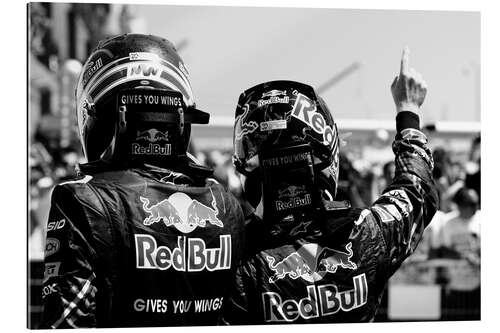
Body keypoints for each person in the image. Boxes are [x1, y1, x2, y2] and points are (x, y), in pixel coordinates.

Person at [40, 34, 245, 328]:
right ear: (182, 115)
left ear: (97, 115)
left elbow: (65, 323)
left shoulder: (80, 201)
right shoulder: (226, 205)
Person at [223, 48, 438, 324]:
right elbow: (417, 189)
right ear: (327, 158)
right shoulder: (367, 234)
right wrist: (409, 110)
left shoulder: (228, 252)